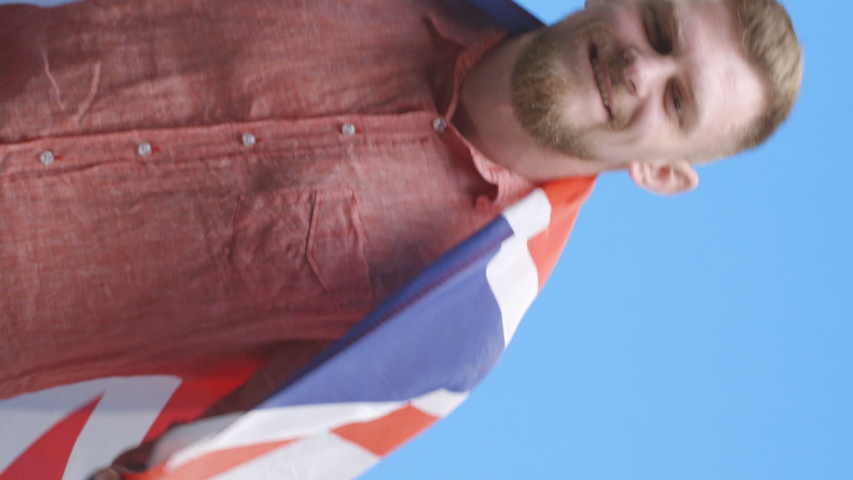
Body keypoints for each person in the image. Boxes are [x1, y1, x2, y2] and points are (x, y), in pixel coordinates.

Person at [0, 0, 800, 475]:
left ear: (663, 173)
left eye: (679, 100)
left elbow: (230, 462)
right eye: (659, 29)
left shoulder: (449, 322)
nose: (639, 69)